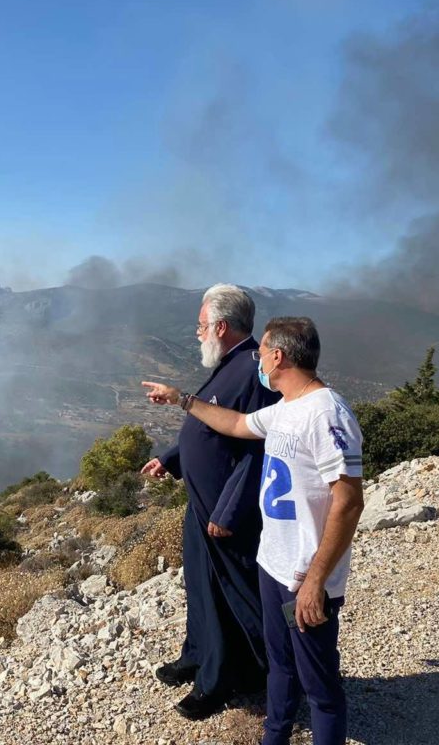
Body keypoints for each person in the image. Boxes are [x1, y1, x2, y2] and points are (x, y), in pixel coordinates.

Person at [143, 316, 364, 745]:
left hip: (303, 576)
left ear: (278, 356)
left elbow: (350, 501)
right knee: (280, 667)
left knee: (320, 687)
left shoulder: (327, 414)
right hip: (272, 566)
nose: (257, 358)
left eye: (261, 351)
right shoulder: (284, 409)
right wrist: (182, 400)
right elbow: (236, 425)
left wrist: (315, 580)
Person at [139, 284, 280, 720]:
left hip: (224, 513)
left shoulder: (255, 371)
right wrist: (171, 458)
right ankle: (196, 655)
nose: (197, 333)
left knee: (226, 595)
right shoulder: (229, 364)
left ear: (221, 326)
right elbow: (208, 422)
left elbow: (258, 449)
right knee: (200, 586)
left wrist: (229, 511)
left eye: (201, 326)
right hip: (202, 504)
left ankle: (219, 682)